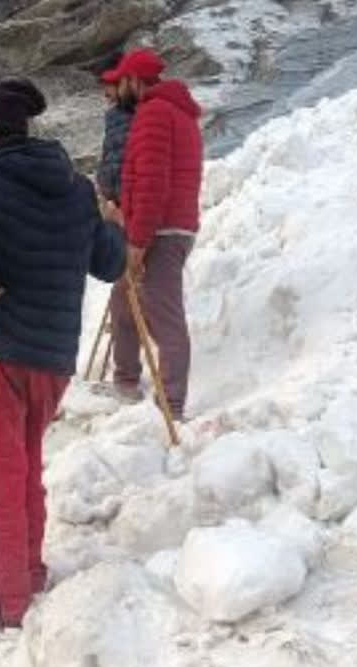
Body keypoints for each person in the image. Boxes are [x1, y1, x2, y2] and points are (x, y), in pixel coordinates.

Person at [0, 78, 126, 628]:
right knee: (23, 470)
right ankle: (26, 577)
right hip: (53, 359)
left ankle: (7, 605)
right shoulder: (76, 187)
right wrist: (110, 223)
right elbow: (110, 265)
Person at [104, 48, 203, 422]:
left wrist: (137, 242)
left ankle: (171, 406)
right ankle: (126, 380)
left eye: (121, 80)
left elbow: (150, 184)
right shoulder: (174, 111)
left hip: (160, 230)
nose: (117, 89)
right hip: (168, 226)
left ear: (134, 81)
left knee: (165, 316)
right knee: (124, 300)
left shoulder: (154, 114)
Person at [95, 59, 134, 207]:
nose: (105, 94)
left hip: (133, 204)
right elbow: (110, 156)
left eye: (107, 86)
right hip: (115, 203)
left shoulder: (144, 113)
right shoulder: (113, 116)